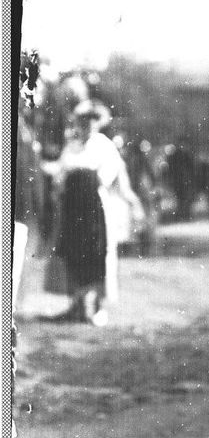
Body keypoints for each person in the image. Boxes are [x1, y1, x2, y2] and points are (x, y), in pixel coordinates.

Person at [44, 100, 143, 324]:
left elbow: (106, 176)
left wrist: (81, 177)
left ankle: (96, 307)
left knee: (95, 255)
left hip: (94, 207)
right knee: (72, 252)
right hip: (72, 208)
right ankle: (76, 306)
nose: (86, 126)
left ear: (97, 124)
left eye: (91, 122)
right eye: (82, 122)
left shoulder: (104, 145)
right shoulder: (72, 146)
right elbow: (60, 170)